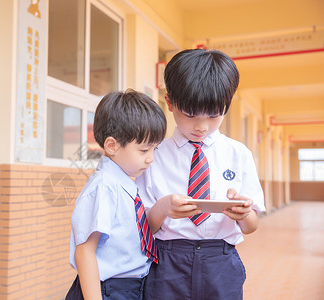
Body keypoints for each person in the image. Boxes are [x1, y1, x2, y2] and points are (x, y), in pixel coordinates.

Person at [135, 48, 266, 300]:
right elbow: (143, 228)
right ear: (170, 102)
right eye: (191, 114)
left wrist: (243, 213)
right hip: (166, 263)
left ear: (226, 107)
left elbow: (251, 226)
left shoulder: (238, 154)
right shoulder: (153, 154)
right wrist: (163, 208)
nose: (201, 126)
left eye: (214, 115)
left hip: (221, 262)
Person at [66, 89, 167, 300]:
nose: (151, 159)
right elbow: (85, 251)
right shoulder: (104, 186)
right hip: (110, 289)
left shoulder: (125, 184)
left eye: (154, 150)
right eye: (144, 150)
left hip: (130, 287)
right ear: (112, 146)